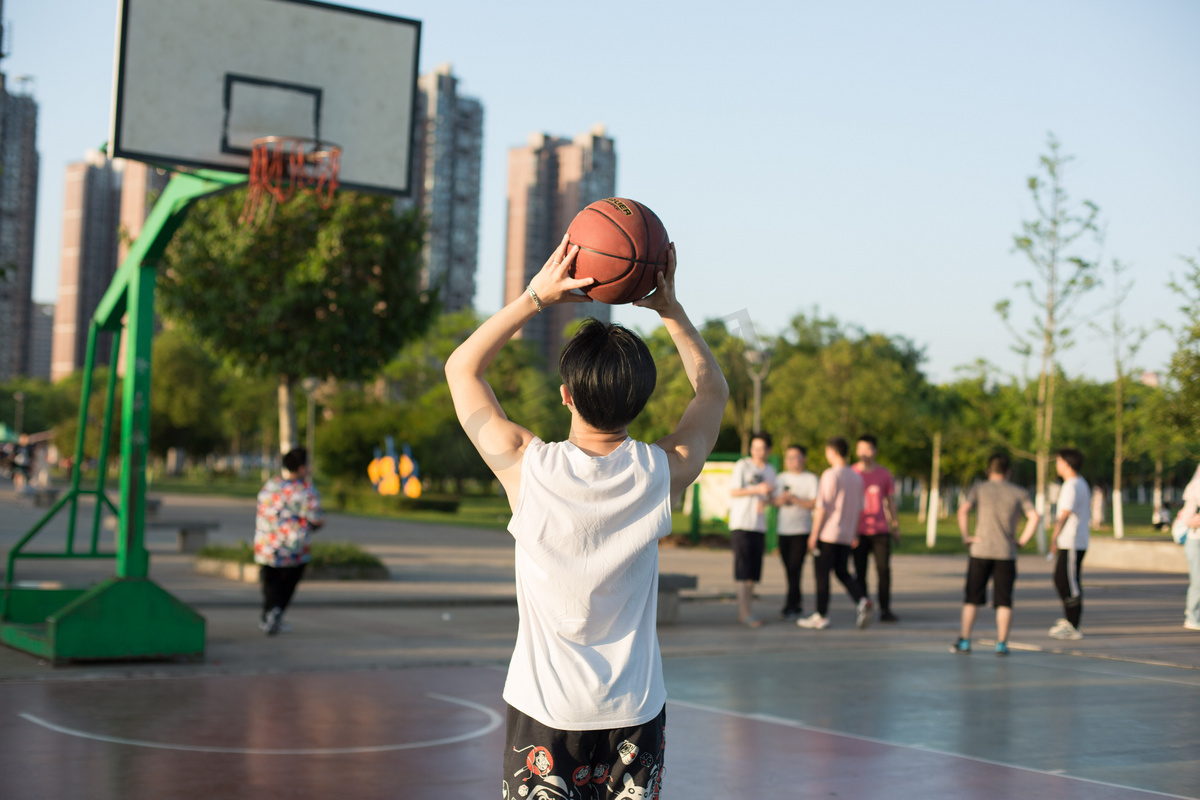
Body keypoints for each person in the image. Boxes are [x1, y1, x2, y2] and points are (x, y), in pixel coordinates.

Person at [445, 236, 727, 800]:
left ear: (566, 395)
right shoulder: (660, 472)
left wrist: (536, 298)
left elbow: (462, 368)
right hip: (634, 712)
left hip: (545, 713)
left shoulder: (527, 468)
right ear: (641, 401)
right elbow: (712, 391)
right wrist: (671, 311)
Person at [951, 453, 1041, 655]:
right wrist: (1022, 541)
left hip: (980, 550)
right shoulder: (1019, 492)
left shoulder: (979, 489)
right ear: (1008, 472)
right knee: (1004, 600)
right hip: (1006, 552)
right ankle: (1001, 643)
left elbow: (963, 510)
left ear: (988, 471)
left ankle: (965, 640)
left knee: (972, 598)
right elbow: (1034, 516)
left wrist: (967, 536)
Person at [798, 437, 870, 630]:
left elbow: (823, 507)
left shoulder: (830, 475)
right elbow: (859, 508)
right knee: (842, 571)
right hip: (846, 534)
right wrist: (854, 532)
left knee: (822, 575)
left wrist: (814, 535)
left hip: (828, 534)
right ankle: (862, 599)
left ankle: (821, 615)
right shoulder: (856, 477)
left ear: (832, 451)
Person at [254, 447, 323, 636]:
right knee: (288, 583)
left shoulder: (270, 486)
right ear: (302, 468)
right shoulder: (306, 490)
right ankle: (276, 612)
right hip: (293, 549)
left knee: (270, 581)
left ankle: (269, 614)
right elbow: (316, 519)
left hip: (267, 545)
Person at [728, 432, 776, 627]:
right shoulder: (743, 465)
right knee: (742, 569)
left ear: (769, 450)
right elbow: (734, 491)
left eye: (762, 448)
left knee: (753, 573)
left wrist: (771, 499)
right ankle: (743, 613)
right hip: (742, 524)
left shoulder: (771, 470)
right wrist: (757, 490)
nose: (758, 452)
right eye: (754, 448)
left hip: (759, 525)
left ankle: (749, 611)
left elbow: (769, 497)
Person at [851, 434, 900, 622]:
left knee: (883, 570)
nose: (864, 453)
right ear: (856, 451)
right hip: (859, 530)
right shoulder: (853, 473)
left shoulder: (884, 474)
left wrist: (895, 526)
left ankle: (885, 609)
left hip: (880, 530)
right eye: (860, 449)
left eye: (868, 449)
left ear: (875, 451)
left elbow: (890, 501)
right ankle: (864, 607)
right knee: (860, 572)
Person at [773, 444, 819, 621]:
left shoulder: (810, 479)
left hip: (801, 530)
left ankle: (791, 605)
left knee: (795, 568)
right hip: (783, 529)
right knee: (788, 569)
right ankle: (795, 603)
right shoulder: (781, 478)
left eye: (795, 457)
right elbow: (774, 501)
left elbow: (814, 503)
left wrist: (794, 499)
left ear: (803, 458)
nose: (791, 461)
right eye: (788, 457)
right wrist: (781, 500)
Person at [1049, 448, 1090, 640]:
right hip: (1071, 541)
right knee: (1061, 579)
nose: (1056, 465)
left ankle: (1073, 625)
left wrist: (1054, 536)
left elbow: (1064, 513)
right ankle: (1069, 620)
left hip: (1072, 541)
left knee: (1069, 583)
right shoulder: (1078, 483)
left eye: (1058, 461)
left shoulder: (1072, 485)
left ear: (1066, 463)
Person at [1173, 465, 1200, 632]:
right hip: (1195, 540)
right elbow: (1187, 519)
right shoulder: (1195, 489)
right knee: (1198, 581)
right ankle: (1192, 616)